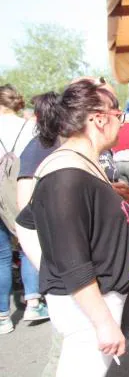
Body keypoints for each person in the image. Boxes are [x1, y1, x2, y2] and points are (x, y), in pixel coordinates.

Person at [22, 79, 129, 375]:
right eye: (119, 116)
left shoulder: (79, 164)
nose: (121, 124)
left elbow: (27, 220)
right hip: (89, 307)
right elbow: (71, 260)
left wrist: (108, 197)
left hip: (95, 301)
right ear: (100, 118)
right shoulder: (66, 175)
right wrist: (102, 322)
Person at [0, 84, 41, 334]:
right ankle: (33, 302)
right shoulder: (30, 127)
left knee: (1, 255)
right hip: (21, 188)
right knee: (28, 243)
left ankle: (3, 316)